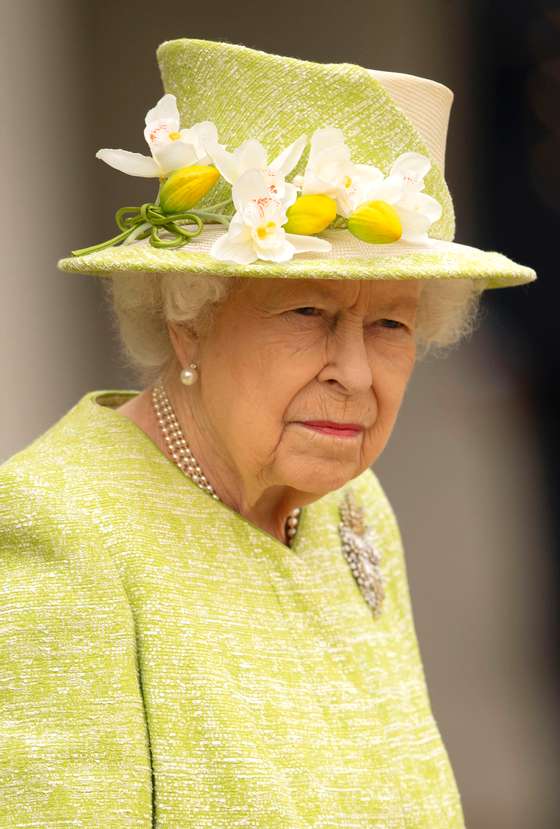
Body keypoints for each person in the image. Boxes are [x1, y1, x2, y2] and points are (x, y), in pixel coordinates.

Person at [0, 36, 536, 828]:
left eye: (390, 323)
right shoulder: (64, 527)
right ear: (189, 318)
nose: (355, 373)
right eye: (308, 313)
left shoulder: (354, 510)